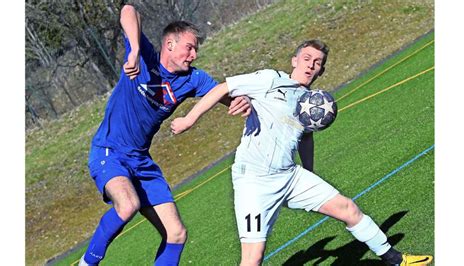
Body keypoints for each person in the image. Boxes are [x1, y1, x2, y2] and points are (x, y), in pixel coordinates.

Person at [170, 39, 433, 265]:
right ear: (294, 60)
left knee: (348, 209)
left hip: (290, 176)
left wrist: (309, 173)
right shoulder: (270, 79)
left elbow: (305, 136)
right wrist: (189, 120)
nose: (311, 65)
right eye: (307, 58)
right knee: (253, 258)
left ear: (321, 70)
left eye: (317, 63)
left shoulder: (310, 102)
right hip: (255, 182)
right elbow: (223, 88)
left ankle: (396, 259)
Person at [79, 4, 252, 266]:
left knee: (176, 234)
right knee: (127, 206)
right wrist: (134, 50)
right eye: (189, 47)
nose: (193, 54)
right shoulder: (145, 57)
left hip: (141, 162)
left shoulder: (193, 79)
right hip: (110, 151)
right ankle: (88, 262)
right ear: (170, 44)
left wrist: (241, 102)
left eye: (195, 49)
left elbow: (221, 94)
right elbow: (128, 9)